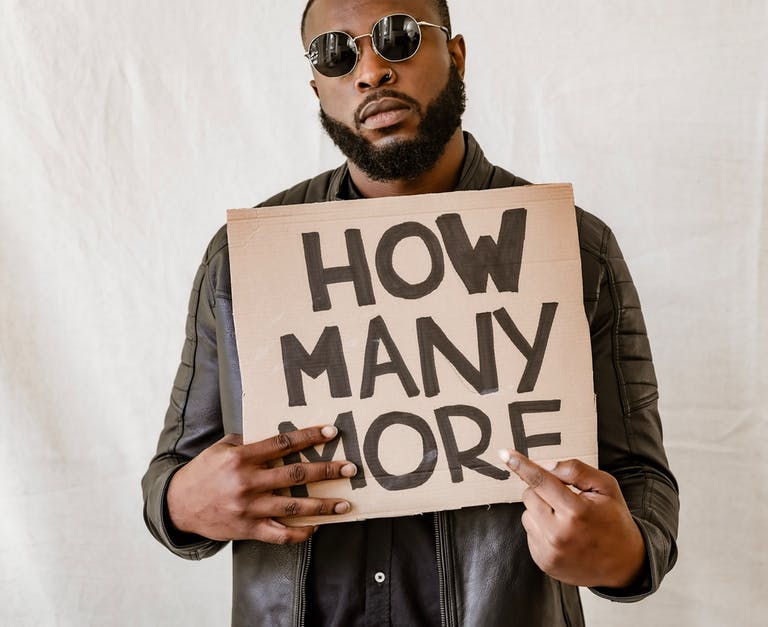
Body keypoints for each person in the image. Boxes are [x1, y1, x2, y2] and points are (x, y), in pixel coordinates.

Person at [140, 0, 679, 625]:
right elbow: (172, 474)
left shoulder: (572, 249)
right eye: (337, 53)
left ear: (454, 55)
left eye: (397, 38)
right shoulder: (243, 260)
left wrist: (623, 552)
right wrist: (185, 502)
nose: (369, 71)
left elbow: (639, 480)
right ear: (318, 85)